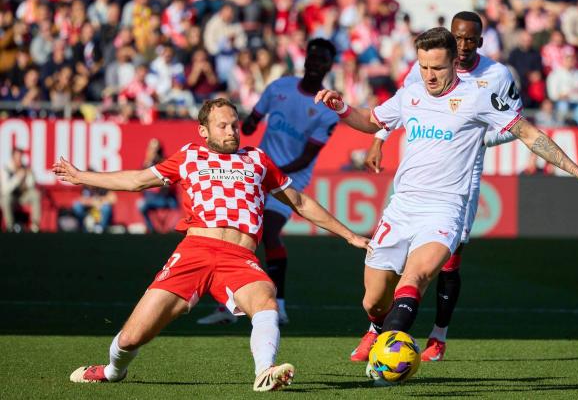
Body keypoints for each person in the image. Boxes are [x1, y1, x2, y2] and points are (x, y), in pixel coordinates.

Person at [315, 27, 578, 381]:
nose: (429, 75)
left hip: (445, 208)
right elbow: (370, 121)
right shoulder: (410, 93)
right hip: (402, 206)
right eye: (424, 67)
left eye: (437, 68)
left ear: (454, 64)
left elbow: (530, 135)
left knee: (417, 276)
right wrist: (342, 107)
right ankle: (380, 329)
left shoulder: (480, 97)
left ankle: (390, 358)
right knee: (373, 301)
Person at [55, 98, 369, 391]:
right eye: (223, 126)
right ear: (203, 131)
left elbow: (300, 202)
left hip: (239, 257)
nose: (231, 131)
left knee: (266, 300)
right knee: (131, 337)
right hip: (194, 254)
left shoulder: (257, 160)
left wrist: (350, 234)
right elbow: (135, 181)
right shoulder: (189, 157)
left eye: (234, 124)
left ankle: (265, 371)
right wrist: (82, 177)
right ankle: (112, 371)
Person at [355, 11, 525, 362]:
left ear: (480, 40)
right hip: (420, 172)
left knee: (450, 258)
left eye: (469, 39)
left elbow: (514, 123)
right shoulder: (428, 64)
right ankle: (377, 330)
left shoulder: (495, 75)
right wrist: (380, 139)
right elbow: (401, 105)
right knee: (391, 267)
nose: (462, 46)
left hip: (465, 169)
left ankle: (438, 335)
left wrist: (476, 134)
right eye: (457, 38)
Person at [197, 38, 338, 325]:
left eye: (321, 59)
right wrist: (236, 123)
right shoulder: (279, 88)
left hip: (290, 179)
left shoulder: (326, 109)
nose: (314, 62)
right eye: (311, 56)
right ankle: (228, 308)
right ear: (306, 59)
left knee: (270, 232)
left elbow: (307, 156)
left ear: (328, 65)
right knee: (232, 235)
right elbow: (251, 122)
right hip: (257, 173)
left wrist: (269, 172)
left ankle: (279, 305)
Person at [137, 139, 179, 233]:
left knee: (174, 203)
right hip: (151, 198)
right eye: (151, 149)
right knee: (141, 204)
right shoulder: (147, 164)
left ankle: (168, 230)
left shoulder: (165, 163)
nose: (154, 152)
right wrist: (148, 162)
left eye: (156, 149)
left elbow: (168, 186)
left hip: (166, 198)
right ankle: (152, 230)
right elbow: (140, 182)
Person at [1, 147, 41, 233]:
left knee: (35, 194)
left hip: (22, 196)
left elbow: (31, 186)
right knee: (5, 200)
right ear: (13, 157)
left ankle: (35, 226)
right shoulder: (6, 169)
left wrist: (29, 175)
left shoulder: (25, 168)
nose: (19, 160)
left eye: (20, 157)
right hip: (11, 197)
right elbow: (5, 190)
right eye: (17, 157)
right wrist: (17, 177)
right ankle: (10, 226)